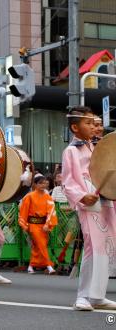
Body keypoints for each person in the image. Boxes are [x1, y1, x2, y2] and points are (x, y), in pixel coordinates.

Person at [62, 106, 116, 311]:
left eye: (94, 123)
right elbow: (67, 182)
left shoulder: (98, 147)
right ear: (75, 127)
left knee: (106, 248)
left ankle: (98, 295)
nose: (93, 126)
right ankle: (83, 296)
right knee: (93, 248)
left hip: (105, 200)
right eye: (88, 123)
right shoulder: (71, 151)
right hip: (89, 202)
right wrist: (83, 196)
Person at [18, 175, 58, 275]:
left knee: (37, 246)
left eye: (44, 183)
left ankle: (31, 266)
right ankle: (49, 266)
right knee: (41, 244)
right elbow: (24, 211)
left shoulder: (48, 196)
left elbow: (51, 210)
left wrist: (47, 224)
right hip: (33, 224)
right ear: (35, 184)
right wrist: (25, 225)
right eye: (40, 183)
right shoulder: (29, 196)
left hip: (43, 225)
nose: (43, 185)